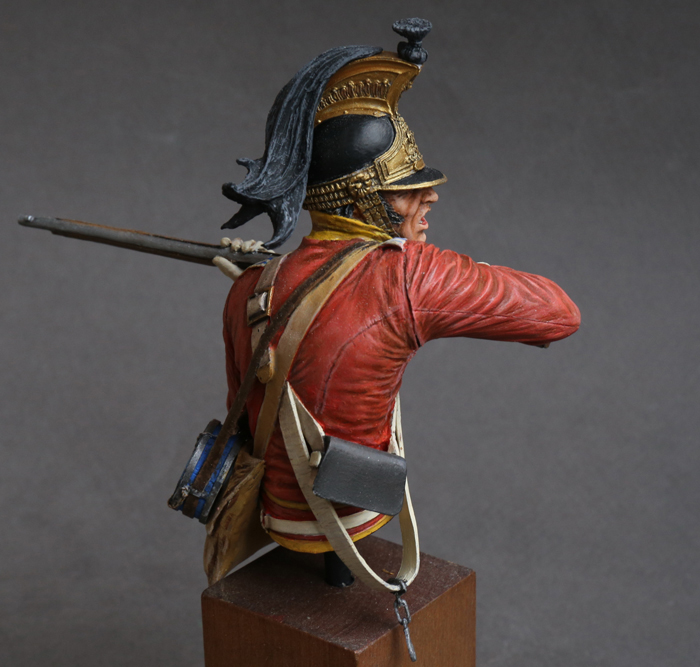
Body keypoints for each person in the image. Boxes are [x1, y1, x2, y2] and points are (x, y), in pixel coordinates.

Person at [204, 19, 580, 586]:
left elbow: (242, 411)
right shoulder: (409, 276)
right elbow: (558, 313)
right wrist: (435, 267)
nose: (429, 197)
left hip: (276, 511)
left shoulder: (247, 289)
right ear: (362, 200)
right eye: (406, 189)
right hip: (353, 513)